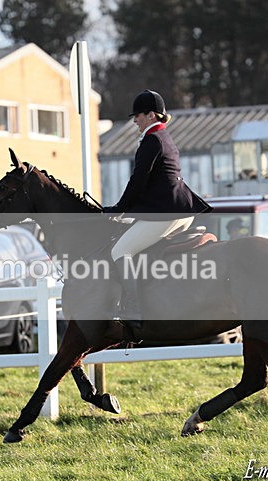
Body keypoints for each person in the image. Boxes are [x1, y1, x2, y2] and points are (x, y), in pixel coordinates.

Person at [103, 89, 212, 333]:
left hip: (168, 212)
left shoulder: (152, 140)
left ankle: (132, 308)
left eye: (138, 116)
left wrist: (120, 209)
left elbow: (138, 180)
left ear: (151, 115)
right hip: (178, 209)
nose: (134, 120)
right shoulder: (163, 136)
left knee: (120, 250)